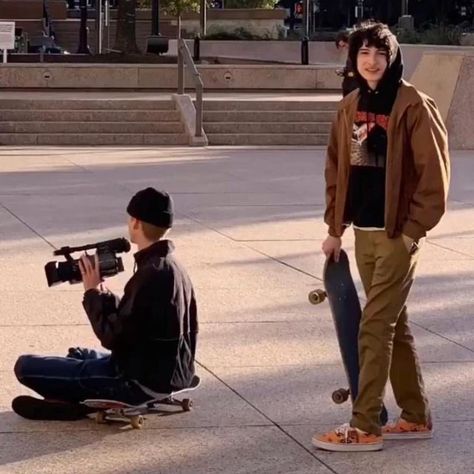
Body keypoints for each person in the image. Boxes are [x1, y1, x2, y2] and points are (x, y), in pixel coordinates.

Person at [313, 21, 450, 451]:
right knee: (395, 325)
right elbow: (340, 169)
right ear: (354, 60)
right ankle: (415, 415)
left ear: (392, 58)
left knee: (374, 327)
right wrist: (335, 229)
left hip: (396, 236)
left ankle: (365, 424)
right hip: (364, 234)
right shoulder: (352, 103)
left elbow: (434, 175)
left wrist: (412, 232)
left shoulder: (412, 104)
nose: (371, 61)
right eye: (364, 54)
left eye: (379, 53)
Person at [12, 187, 198, 420]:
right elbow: (135, 322)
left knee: (25, 367)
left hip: (135, 380)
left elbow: (112, 338)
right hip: (169, 372)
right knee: (78, 353)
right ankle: (72, 395)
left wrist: (91, 292)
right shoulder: (171, 266)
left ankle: (80, 407)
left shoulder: (150, 274)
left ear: (136, 222)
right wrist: (102, 291)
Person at [335, 30, 359, 97]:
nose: (344, 48)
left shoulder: (358, 51)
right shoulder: (351, 52)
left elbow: (356, 71)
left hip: (355, 85)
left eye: (344, 45)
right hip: (349, 85)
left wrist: (346, 72)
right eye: (341, 46)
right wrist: (344, 70)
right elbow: (350, 67)